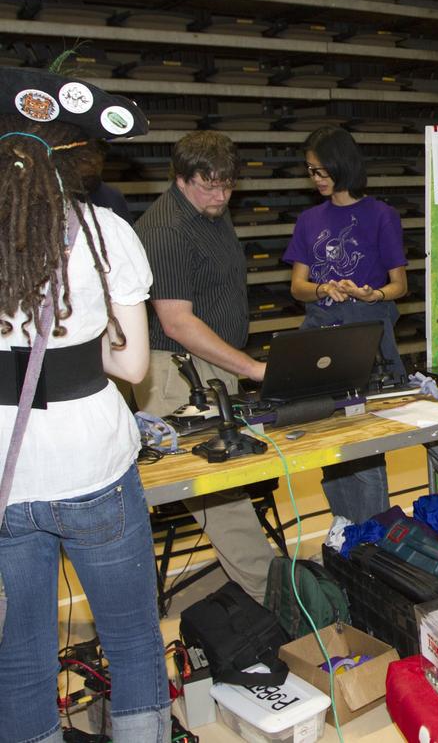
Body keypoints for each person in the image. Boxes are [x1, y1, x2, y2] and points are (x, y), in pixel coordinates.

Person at [0, 68, 169, 742]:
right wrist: (79, 345)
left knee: (20, 652)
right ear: (78, 159)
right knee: (130, 642)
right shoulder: (102, 231)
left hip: (9, 481)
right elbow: (133, 364)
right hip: (94, 469)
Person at [133, 131, 277, 602]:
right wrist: (254, 370)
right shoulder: (166, 230)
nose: (219, 196)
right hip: (179, 375)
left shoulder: (211, 209)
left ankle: (259, 579)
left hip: (213, 365)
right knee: (220, 493)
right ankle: (273, 595)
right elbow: (176, 323)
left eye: (227, 186)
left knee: (231, 485)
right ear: (180, 177)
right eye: (207, 186)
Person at [282, 126, 408, 522]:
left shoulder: (381, 216)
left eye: (321, 171)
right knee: (327, 441)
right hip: (322, 340)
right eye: (311, 171)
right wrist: (323, 289)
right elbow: (298, 288)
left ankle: (373, 536)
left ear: (342, 166)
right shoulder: (309, 219)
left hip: (364, 342)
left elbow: (399, 285)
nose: (316, 179)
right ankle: (345, 529)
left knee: (365, 444)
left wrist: (372, 295)